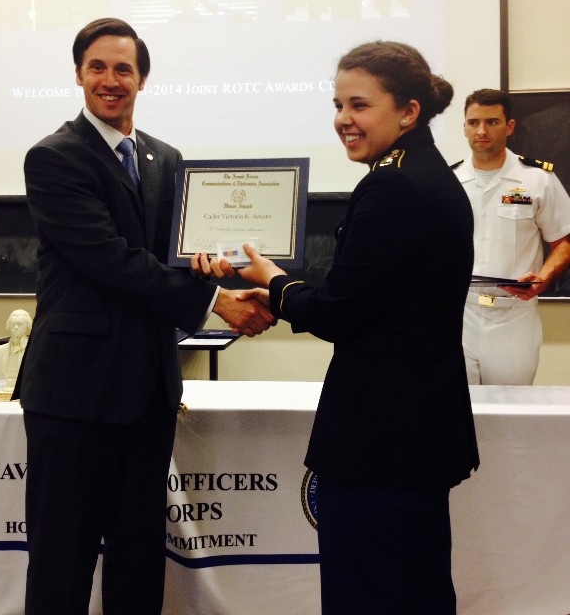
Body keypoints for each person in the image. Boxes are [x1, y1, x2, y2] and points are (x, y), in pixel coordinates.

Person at [193, 41, 479, 614]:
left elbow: (340, 314)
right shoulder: (429, 176)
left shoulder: (393, 185)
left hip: (379, 443)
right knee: (417, 592)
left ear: (408, 112)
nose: (343, 120)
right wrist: (285, 290)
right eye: (338, 104)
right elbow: (373, 300)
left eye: (359, 105)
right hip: (416, 434)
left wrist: (274, 280)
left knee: (368, 596)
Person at [14, 17, 274, 615]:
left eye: (123, 68)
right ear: (78, 74)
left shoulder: (165, 157)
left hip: (148, 390)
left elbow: (171, 257)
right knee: (63, 557)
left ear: (143, 78)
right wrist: (216, 304)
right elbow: (110, 260)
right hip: (74, 393)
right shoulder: (54, 158)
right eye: (98, 67)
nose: (110, 80)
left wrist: (215, 270)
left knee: (138, 556)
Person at [453, 88, 570, 385]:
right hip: (459, 313)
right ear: (464, 126)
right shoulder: (449, 181)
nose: (481, 131)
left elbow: (563, 241)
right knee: (456, 413)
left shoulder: (537, 179)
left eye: (492, 122)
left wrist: (545, 276)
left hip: (514, 315)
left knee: (510, 411)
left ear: (510, 127)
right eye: (474, 122)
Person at [0, 309, 32, 392]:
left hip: (26, 389)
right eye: (13, 324)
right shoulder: (0, 351)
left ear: (27, 326)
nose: (16, 327)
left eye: (20, 324)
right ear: (9, 326)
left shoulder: (33, 351)